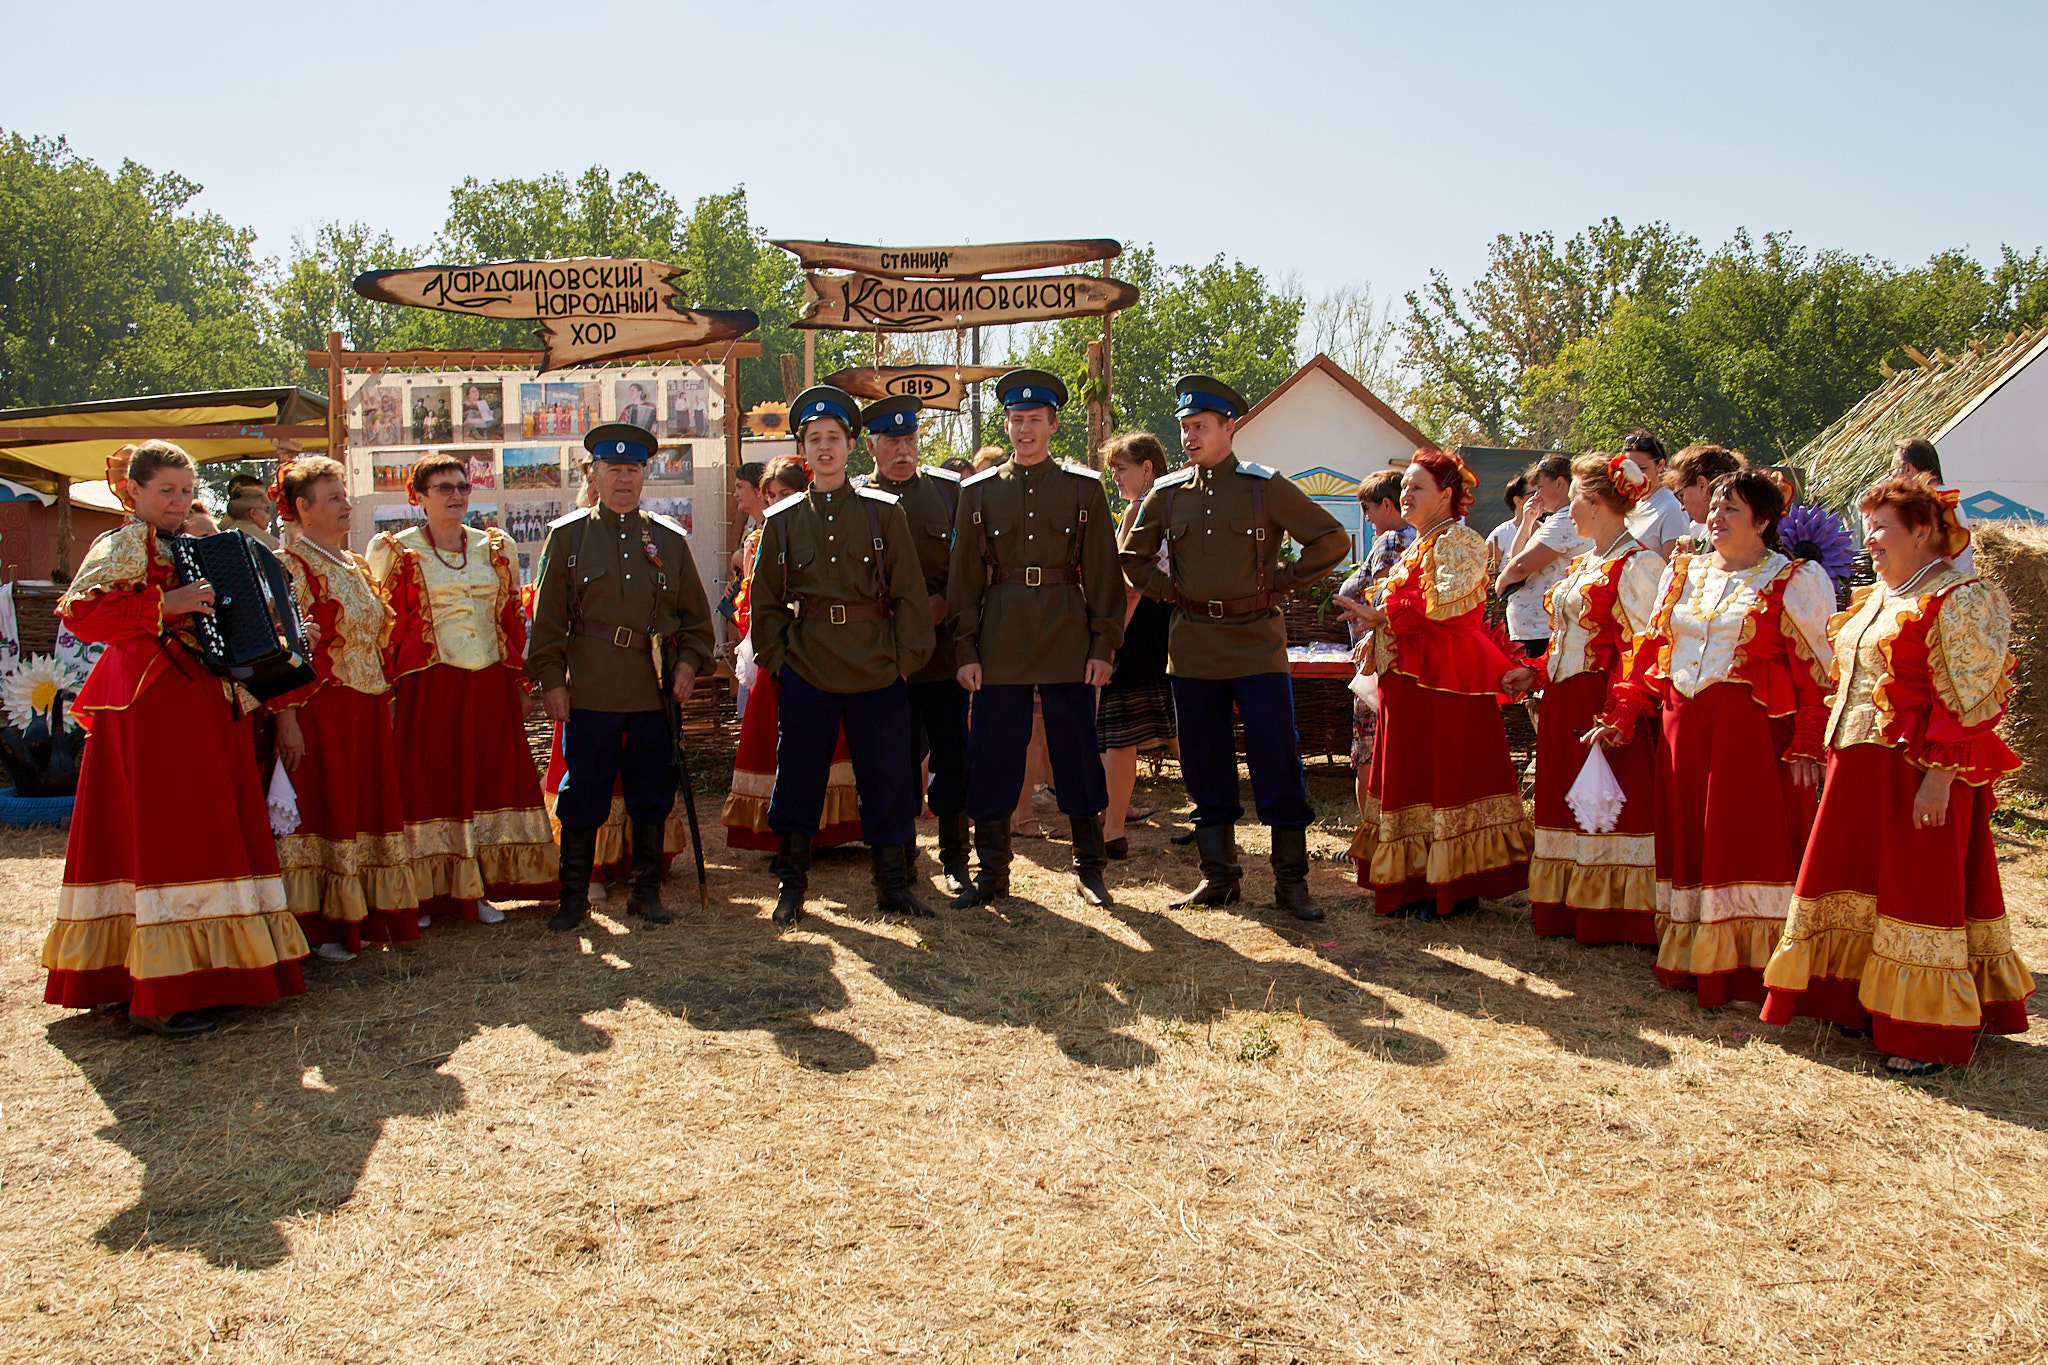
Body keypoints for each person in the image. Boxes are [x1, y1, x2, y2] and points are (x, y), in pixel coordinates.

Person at [1761, 476, 2033, 1072]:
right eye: (1869, 527)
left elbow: (1970, 700)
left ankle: (1921, 1030)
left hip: (1914, 770)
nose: (1870, 539)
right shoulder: (1882, 595)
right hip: (1858, 765)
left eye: (1882, 528)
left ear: (1924, 531)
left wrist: (1939, 778)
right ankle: (1861, 1001)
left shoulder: (1961, 596)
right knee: (1858, 883)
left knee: (1917, 891)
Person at [40, 441, 307, 1037]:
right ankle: (161, 988)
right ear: (131, 491)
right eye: (166, 490)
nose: (179, 501)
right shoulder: (122, 543)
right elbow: (81, 615)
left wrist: (273, 633)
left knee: (207, 828)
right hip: (152, 701)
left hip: (205, 697)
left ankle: (214, 973)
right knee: (169, 832)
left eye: (187, 491)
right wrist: (165, 603)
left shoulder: (194, 546)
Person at [1600, 468, 1834, 1008]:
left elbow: (1818, 667)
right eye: (1715, 507)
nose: (1716, 517)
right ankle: (1692, 954)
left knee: (1742, 838)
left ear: (1764, 520)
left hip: (1747, 734)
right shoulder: (1684, 570)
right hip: (1683, 727)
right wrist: (1628, 707)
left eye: (1732, 509)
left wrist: (1807, 736)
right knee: (1690, 834)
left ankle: (1750, 968)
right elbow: (1653, 647)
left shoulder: (1793, 579)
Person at [1119, 377, 1349, 920]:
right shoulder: (1166, 493)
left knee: (1276, 754)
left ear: (1229, 426)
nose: (1189, 437)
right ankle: (1219, 877)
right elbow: (1131, 557)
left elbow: (1332, 539)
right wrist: (1170, 592)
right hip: (1193, 645)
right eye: (1184, 428)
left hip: (1255, 643)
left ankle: (1291, 882)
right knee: (1203, 760)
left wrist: (1282, 583)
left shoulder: (1263, 487)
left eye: (1200, 426)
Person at [750, 386, 935, 924]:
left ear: (852, 445)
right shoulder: (783, 520)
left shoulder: (882, 514)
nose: (825, 447)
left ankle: (892, 886)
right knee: (798, 776)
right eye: (815, 439)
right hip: (808, 667)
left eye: (833, 437)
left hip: (876, 667)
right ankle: (791, 886)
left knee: (887, 779)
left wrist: (903, 662)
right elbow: (765, 601)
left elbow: (909, 594)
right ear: (803, 449)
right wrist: (781, 662)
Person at [529, 423, 714, 933]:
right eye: (613, 469)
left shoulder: (669, 540)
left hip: (653, 691)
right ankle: (573, 898)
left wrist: (687, 666)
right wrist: (552, 681)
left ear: (644, 475)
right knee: (583, 794)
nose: (624, 479)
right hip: (590, 689)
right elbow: (547, 622)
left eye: (633, 469)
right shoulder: (568, 537)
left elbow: (697, 622)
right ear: (595, 474)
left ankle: (644, 893)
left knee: (651, 793)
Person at [949, 370, 1123, 908]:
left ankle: (1090, 868)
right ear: (1007, 424)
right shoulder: (978, 493)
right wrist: (966, 649)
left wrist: (1103, 646)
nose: (1024, 430)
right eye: (1016, 420)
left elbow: (1103, 574)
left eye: (1034, 420)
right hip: (1000, 639)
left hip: (1067, 637)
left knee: (1077, 753)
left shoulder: (1083, 489)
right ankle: (992, 873)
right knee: (993, 754)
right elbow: (964, 578)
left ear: (1052, 425)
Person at [369, 453, 558, 927]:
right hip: (429, 683)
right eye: (443, 488)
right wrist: (388, 694)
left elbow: (509, 619)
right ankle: (423, 891)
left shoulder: (494, 546)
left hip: (488, 679)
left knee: (485, 779)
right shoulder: (396, 550)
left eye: (462, 487)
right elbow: (384, 628)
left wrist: (519, 681)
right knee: (430, 781)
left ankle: (479, 887)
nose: (456, 496)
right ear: (419, 497)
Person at [1346, 450, 1534, 918]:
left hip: (1444, 682)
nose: (1405, 494)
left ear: (1446, 494)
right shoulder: (1419, 544)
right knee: (1413, 774)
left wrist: (1383, 616)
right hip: (1409, 683)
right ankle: (1417, 880)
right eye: (1404, 486)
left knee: (1442, 776)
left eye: (1416, 487)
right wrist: (1378, 629)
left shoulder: (1459, 540)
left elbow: (1446, 605)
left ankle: (1447, 885)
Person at [269, 456, 420, 959]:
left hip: (366, 702)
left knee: (364, 806)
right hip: (321, 706)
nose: (345, 505)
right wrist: (287, 720)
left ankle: (365, 915)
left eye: (344, 496)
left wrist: (386, 697)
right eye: (333, 498)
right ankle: (321, 925)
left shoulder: (354, 563)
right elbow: (282, 651)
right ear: (302, 508)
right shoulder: (290, 565)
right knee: (327, 806)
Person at [1513, 455, 1666, 945]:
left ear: (1596, 503)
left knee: (1604, 803)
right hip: (1564, 698)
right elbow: (1568, 639)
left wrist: (1623, 711)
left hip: (1598, 701)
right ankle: (1567, 904)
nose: (1567, 508)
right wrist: (1536, 672)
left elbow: (1643, 647)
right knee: (1565, 801)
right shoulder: (1586, 562)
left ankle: (1613, 914)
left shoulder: (1638, 563)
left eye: (1575, 497)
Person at [721, 455, 865, 854]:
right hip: (779, 650)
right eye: (770, 496)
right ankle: (782, 831)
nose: (775, 503)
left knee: (829, 737)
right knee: (778, 735)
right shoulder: (758, 540)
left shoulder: (822, 530)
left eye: (785, 494)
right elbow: (753, 601)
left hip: (823, 648)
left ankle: (829, 827)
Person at [859, 394, 973, 893]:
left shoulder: (949, 493)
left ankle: (955, 858)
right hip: (885, 657)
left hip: (943, 654)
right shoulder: (858, 499)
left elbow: (972, 565)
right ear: (871, 447)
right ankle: (902, 856)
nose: (903, 450)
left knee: (952, 755)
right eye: (891, 441)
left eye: (909, 439)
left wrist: (946, 602)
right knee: (894, 760)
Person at [1098, 432, 1179, 861]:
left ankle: (1112, 830)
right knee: (1173, 727)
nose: (1115, 477)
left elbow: (1130, 587)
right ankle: (1212, 819)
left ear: (1147, 468)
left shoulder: (1141, 510)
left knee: (1121, 733)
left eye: (1121, 468)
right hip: (1163, 623)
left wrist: (1112, 639)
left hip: (1139, 625)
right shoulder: (1172, 503)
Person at [1332, 467, 1415, 846]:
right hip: (1398, 659)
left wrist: (1370, 641)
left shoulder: (1392, 540)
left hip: (1378, 661)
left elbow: (1384, 601)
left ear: (1386, 504)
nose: (1365, 517)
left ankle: (1373, 842)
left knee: (1369, 751)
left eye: (1366, 508)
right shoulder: (1416, 539)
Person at [1495, 454, 1589, 664]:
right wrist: (1528, 521)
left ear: (1560, 483)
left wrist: (1501, 584)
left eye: (1540, 488)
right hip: (1535, 628)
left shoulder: (1564, 521)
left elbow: (1520, 567)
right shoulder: (1554, 521)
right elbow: (1515, 557)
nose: (1536, 496)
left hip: (1543, 629)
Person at [1891, 436, 1973, 574]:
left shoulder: (1929, 503)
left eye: (1893, 470)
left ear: (1908, 469)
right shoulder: (1947, 500)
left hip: (1942, 586)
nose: (1892, 477)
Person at [1619, 430, 1692, 557]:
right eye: (1628, 469)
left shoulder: (1672, 508)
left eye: (1642, 468)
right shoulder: (1626, 504)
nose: (1633, 476)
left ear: (1660, 465)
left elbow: (1674, 564)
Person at [1482, 474, 1528, 575]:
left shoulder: (1545, 528)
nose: (1538, 497)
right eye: (1533, 493)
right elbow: (1487, 572)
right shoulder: (1502, 532)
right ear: (1518, 500)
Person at [223, 473, 279, 549]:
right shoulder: (270, 542)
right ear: (253, 513)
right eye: (266, 511)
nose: (268, 517)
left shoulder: (221, 535)